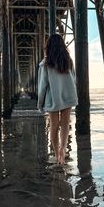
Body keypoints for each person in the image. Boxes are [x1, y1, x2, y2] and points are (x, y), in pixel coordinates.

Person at [37, 34, 78, 165]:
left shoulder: (45, 64)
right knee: (65, 124)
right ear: (62, 46)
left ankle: (56, 153)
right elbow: (75, 79)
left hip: (52, 98)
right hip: (68, 95)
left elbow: (42, 86)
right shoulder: (68, 61)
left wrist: (40, 104)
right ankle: (63, 149)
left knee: (54, 126)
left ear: (48, 46)